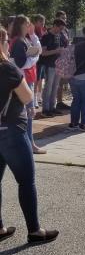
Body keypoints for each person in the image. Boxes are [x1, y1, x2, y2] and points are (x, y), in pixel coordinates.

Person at [0, 27, 59, 244]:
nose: (8, 44)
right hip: (12, 130)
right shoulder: (8, 68)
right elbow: (26, 97)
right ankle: (34, 230)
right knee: (26, 181)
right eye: (6, 40)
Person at [9, 15, 46, 155]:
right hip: (23, 81)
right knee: (28, 115)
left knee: (27, 115)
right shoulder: (18, 41)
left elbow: (38, 49)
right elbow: (22, 63)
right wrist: (35, 57)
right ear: (22, 25)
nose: (30, 25)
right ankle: (29, 144)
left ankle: (29, 144)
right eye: (28, 23)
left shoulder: (22, 39)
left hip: (26, 80)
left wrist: (33, 38)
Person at [40, 18, 67, 117]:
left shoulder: (59, 36)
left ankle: (52, 107)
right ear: (54, 25)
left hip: (58, 64)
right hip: (49, 65)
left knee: (55, 86)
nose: (60, 31)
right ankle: (45, 109)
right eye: (60, 28)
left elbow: (61, 48)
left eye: (62, 29)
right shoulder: (46, 36)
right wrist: (56, 51)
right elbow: (43, 53)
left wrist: (62, 51)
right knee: (49, 87)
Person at [55, 10, 71, 111]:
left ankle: (60, 101)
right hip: (57, 58)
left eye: (65, 18)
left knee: (63, 81)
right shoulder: (56, 30)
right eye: (62, 18)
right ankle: (58, 102)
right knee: (58, 82)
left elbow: (67, 42)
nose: (64, 20)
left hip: (66, 57)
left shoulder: (66, 30)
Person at [32, 14, 47, 108]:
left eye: (43, 22)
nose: (42, 24)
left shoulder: (43, 31)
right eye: (41, 22)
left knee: (41, 78)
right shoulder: (33, 31)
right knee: (35, 79)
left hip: (42, 59)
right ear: (36, 22)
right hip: (35, 58)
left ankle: (38, 97)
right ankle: (33, 99)